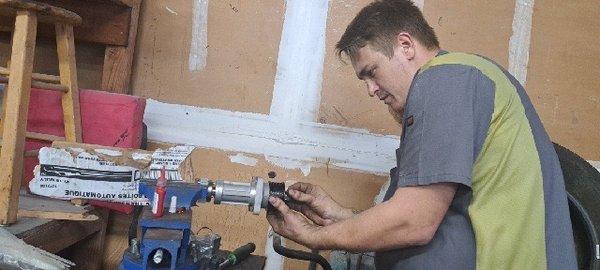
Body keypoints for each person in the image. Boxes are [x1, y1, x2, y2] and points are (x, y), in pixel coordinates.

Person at [266, 0, 578, 269]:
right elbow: (427, 213)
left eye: (371, 72)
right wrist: (339, 216)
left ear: (406, 45)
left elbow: (415, 222)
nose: (371, 90)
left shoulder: (444, 80)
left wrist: (312, 237)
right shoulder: (463, 79)